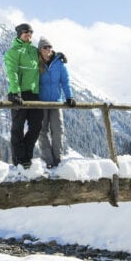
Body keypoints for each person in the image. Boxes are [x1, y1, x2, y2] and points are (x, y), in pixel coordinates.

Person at [4, 23, 43, 169]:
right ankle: (20, 160)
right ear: (19, 33)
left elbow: (47, 56)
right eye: (25, 31)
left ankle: (26, 155)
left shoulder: (34, 51)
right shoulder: (13, 51)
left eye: (31, 32)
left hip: (34, 93)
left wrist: (58, 56)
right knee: (17, 128)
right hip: (18, 93)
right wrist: (16, 92)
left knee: (36, 126)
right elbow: (12, 72)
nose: (28, 34)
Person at [37, 35, 76, 169]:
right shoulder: (36, 63)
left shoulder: (59, 63)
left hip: (56, 102)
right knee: (41, 131)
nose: (48, 50)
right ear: (40, 50)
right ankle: (48, 160)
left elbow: (65, 81)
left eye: (49, 47)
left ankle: (58, 160)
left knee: (58, 130)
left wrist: (69, 97)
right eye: (44, 47)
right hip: (41, 103)